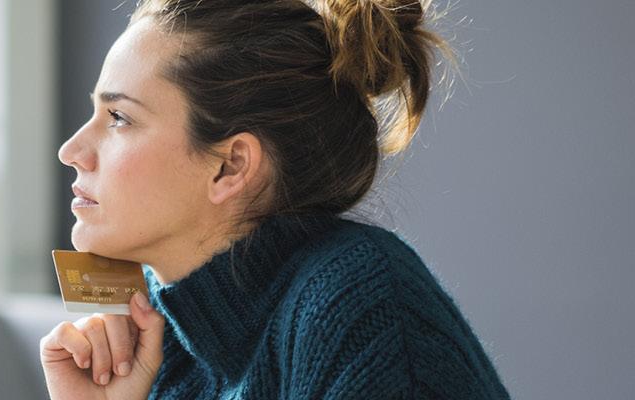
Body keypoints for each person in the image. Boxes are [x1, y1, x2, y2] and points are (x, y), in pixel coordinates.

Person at [42, 0, 510, 398]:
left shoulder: (366, 310)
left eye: (119, 117)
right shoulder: (160, 340)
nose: (71, 151)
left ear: (231, 166)